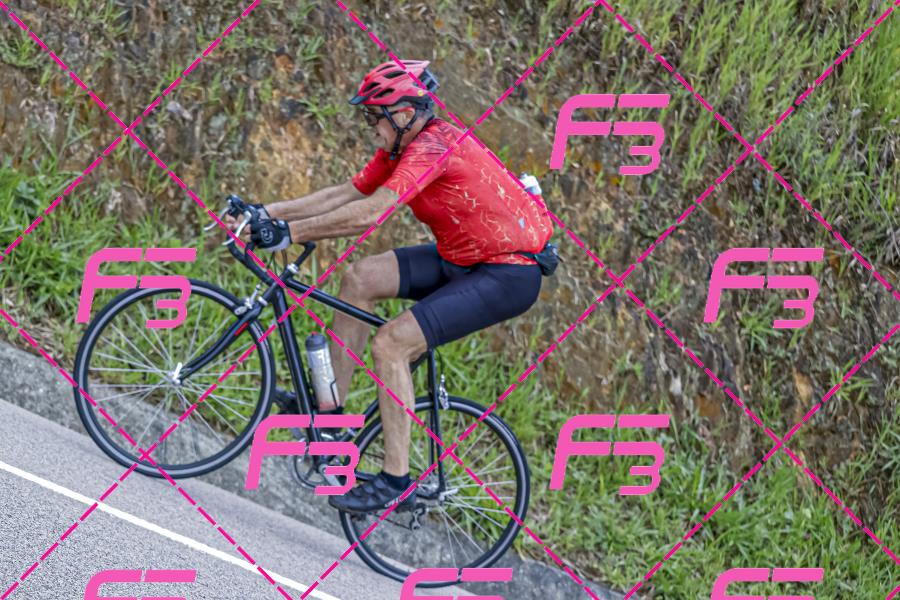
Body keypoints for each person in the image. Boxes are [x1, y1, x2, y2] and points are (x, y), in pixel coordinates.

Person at [227, 60, 554, 514]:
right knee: (360, 277)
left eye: (373, 116)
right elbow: (348, 194)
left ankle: (395, 480)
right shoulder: (402, 146)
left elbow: (369, 214)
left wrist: (289, 234)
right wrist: (267, 213)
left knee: (391, 344)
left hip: (507, 273)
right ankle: (331, 418)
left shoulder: (433, 147)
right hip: (461, 257)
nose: (370, 126)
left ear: (403, 113)